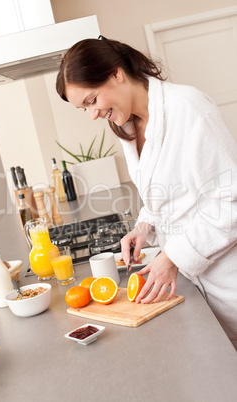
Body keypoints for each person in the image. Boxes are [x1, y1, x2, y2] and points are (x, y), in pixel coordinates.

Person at [56, 36, 237, 349]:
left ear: (116, 74)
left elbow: (229, 203)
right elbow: (164, 195)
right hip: (193, 283)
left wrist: (172, 257)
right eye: (83, 109)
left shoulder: (189, 108)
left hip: (227, 280)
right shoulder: (128, 126)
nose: (93, 115)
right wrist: (144, 227)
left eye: (92, 100)